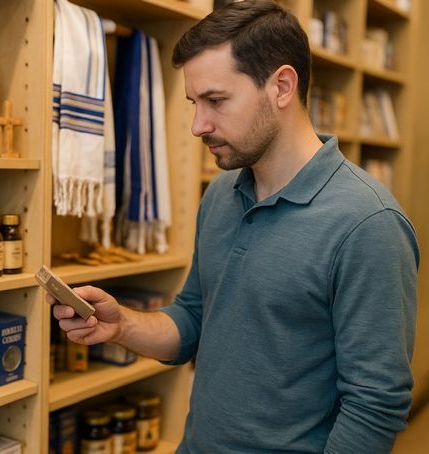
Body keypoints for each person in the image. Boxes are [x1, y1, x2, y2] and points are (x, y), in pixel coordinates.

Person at [47, 1, 420, 453]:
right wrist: (121, 324)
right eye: (193, 102)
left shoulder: (369, 224)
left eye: (216, 101)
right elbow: (193, 319)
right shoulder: (221, 195)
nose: (197, 125)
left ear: (281, 86)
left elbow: (374, 405)